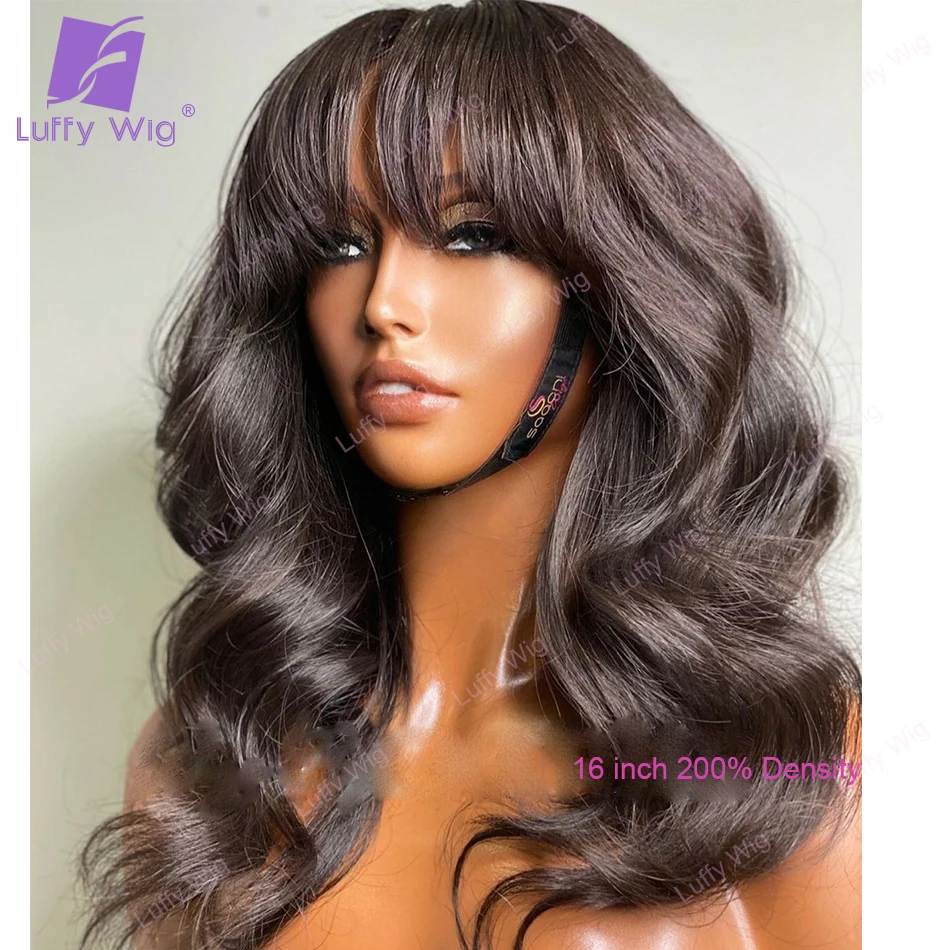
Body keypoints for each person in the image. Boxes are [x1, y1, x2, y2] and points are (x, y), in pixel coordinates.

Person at [79, 3, 861, 948]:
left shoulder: (792, 767)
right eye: (339, 245)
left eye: (473, 235)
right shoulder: (204, 765)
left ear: (623, 279)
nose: (385, 302)